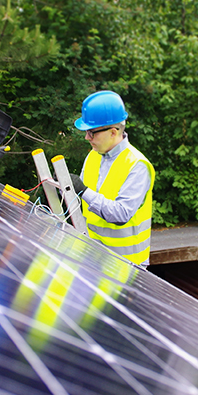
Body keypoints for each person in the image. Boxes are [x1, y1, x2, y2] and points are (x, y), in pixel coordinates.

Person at [69, 90, 155, 267]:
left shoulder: (137, 165)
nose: (87, 137)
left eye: (92, 132)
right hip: (94, 258)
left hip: (126, 266)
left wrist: (83, 191)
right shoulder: (93, 156)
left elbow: (121, 213)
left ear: (113, 132)